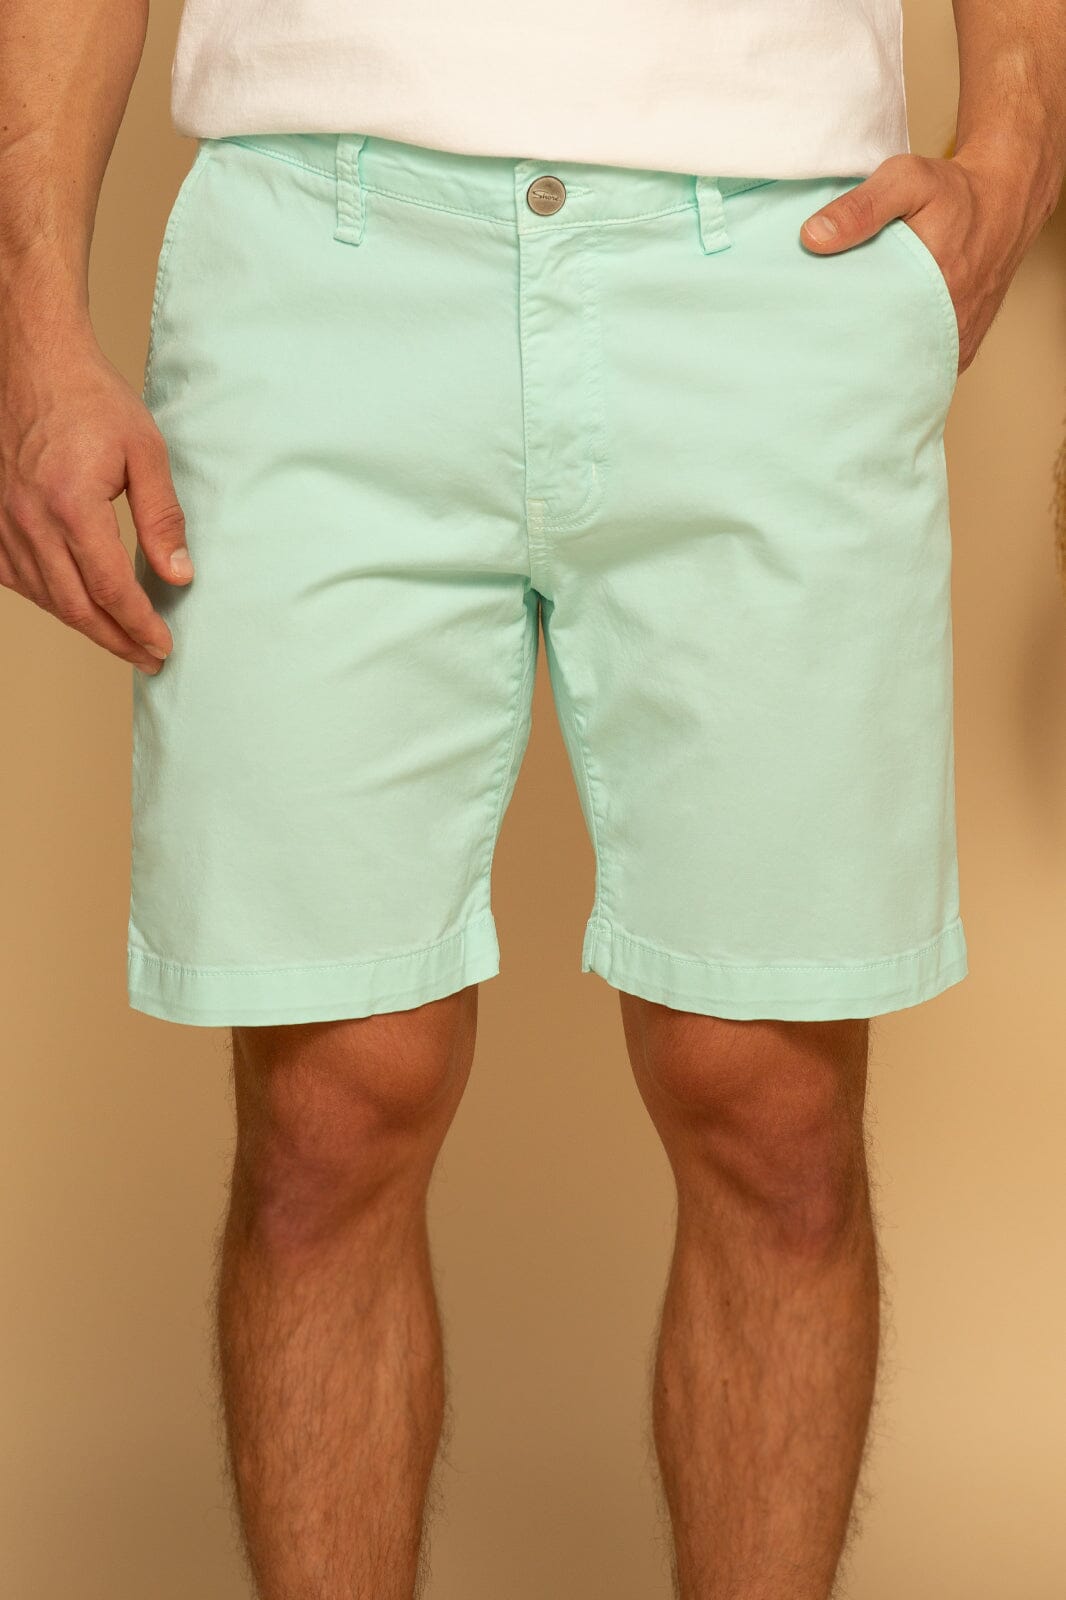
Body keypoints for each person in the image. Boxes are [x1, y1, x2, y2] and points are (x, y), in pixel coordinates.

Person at [1, 3, 1063, 1596]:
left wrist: (1011, 154)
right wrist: (28, 327)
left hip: (783, 266)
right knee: (327, 1112)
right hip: (316, 273)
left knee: (770, 1113)